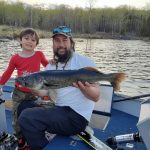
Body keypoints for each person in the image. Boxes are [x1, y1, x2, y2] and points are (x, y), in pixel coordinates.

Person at [17, 26, 100, 150]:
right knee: (23, 106)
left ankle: (42, 147)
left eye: (64, 40)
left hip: (76, 118)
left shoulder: (85, 63)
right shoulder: (51, 67)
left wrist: (84, 88)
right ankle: (29, 140)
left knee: (27, 117)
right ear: (53, 44)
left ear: (71, 43)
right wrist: (31, 86)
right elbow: (45, 92)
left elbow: (96, 97)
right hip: (60, 109)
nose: (61, 44)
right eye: (57, 41)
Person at [0, 28, 49, 149]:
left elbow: (48, 67)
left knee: (35, 115)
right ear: (20, 40)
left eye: (33, 40)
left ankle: (37, 133)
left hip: (35, 92)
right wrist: (0, 84)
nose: (29, 41)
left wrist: (55, 64)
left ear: (36, 43)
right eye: (26, 38)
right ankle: (20, 137)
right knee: (17, 116)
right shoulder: (15, 58)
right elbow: (7, 73)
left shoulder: (39, 55)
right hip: (19, 93)